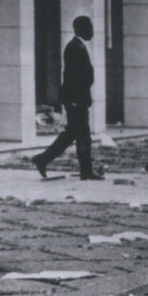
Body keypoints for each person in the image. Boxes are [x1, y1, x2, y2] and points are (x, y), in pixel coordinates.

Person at [32, 16, 104, 180]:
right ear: (82, 29)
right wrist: (74, 100)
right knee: (82, 135)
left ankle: (43, 159)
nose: (92, 30)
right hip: (76, 100)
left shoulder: (78, 46)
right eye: (89, 27)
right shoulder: (74, 48)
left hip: (77, 99)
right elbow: (72, 76)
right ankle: (84, 170)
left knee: (73, 134)